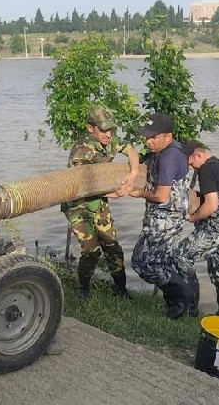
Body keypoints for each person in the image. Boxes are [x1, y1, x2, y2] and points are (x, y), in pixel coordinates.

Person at [61, 106, 140, 298]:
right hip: (78, 206)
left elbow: (130, 150)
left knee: (113, 247)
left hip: (99, 203)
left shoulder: (110, 141)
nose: (109, 134)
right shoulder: (82, 151)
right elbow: (87, 184)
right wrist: (114, 193)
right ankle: (83, 291)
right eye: (104, 130)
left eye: (111, 129)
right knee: (92, 251)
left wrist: (134, 172)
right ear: (90, 128)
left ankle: (121, 291)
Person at [129, 113, 194, 319]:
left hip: (165, 220)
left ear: (168, 136)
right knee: (156, 262)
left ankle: (183, 294)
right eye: (147, 137)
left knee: (144, 265)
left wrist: (139, 193)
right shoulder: (172, 150)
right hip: (168, 218)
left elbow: (161, 195)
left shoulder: (167, 158)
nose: (148, 141)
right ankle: (178, 304)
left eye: (153, 137)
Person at [174, 140, 219, 318]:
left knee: (181, 255)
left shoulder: (206, 171)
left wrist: (193, 217)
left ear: (199, 155)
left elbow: (211, 205)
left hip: (216, 228)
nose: (189, 167)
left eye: (190, 162)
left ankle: (190, 309)